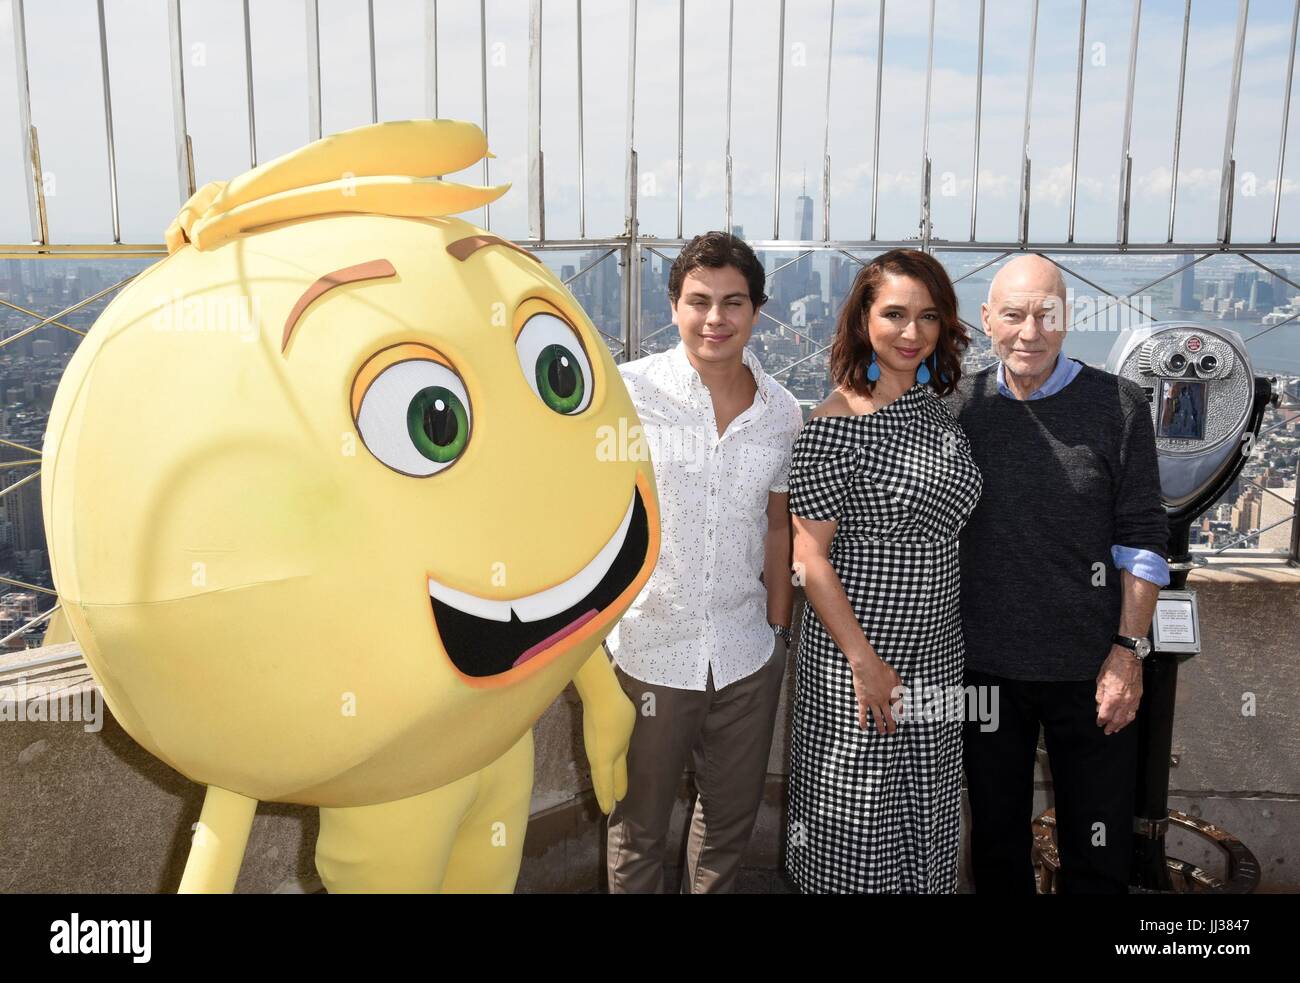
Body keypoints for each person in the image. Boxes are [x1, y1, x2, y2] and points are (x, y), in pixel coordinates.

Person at [944, 254, 1169, 894]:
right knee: (994, 845)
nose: (1029, 332)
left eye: (1047, 314)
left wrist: (1129, 652)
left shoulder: (1116, 403)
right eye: (1013, 315)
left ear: (1068, 319)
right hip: (984, 668)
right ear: (986, 320)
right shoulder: (961, 406)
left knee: (1098, 850)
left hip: (1092, 670)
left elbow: (1143, 538)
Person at [604, 231, 803, 893]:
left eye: (732, 302)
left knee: (727, 828)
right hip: (648, 649)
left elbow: (778, 526)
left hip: (746, 653)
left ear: (756, 310)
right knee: (637, 827)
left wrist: (777, 628)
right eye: (699, 301)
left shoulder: (784, 413)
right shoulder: (626, 394)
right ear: (673, 306)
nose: (714, 318)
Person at [785, 248, 982, 893]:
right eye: (894, 314)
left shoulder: (937, 410)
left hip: (936, 648)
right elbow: (808, 557)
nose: (911, 332)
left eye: (928, 317)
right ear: (863, 320)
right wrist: (863, 662)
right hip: (857, 652)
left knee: (928, 815)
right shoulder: (833, 424)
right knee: (856, 821)